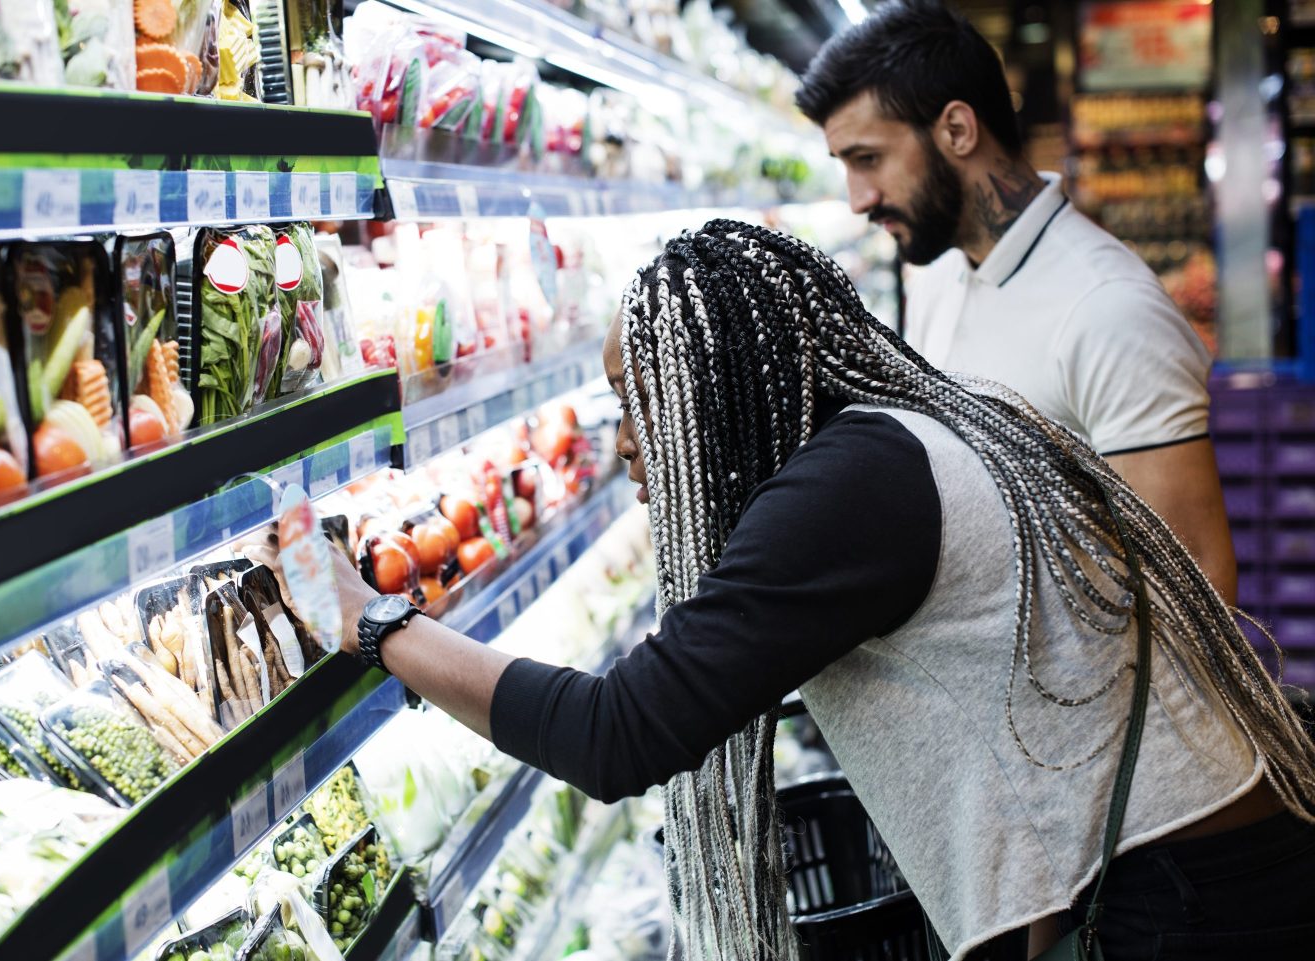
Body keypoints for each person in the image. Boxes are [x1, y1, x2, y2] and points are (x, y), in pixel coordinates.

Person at [258, 222, 1315, 961]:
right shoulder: (903, 435)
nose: (623, 443)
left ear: (714, 389)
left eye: (638, 401)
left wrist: (372, 620)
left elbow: (619, 733)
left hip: (1186, 909)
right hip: (1206, 868)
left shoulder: (850, 490)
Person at [793, 1, 1238, 605]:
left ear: (957, 130)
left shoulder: (1110, 312)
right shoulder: (939, 275)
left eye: (868, 159)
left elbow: (1200, 587)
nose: (858, 199)